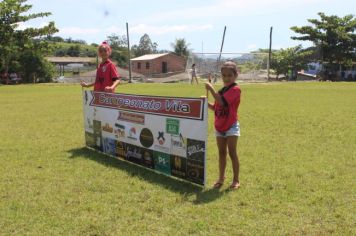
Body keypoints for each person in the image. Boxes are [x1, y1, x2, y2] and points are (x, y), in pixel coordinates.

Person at [205, 61, 241, 190]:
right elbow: (216, 107)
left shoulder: (236, 89)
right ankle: (221, 178)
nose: (226, 78)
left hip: (231, 126)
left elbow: (222, 101)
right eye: (224, 75)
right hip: (219, 127)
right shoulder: (221, 90)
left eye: (229, 75)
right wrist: (205, 102)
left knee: (232, 152)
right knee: (221, 153)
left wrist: (211, 89)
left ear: (236, 75)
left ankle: (236, 180)